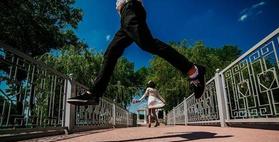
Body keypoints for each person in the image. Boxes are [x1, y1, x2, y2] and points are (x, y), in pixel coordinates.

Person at [67, 0, 205, 105]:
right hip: (125, 17)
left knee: (148, 44)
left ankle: (193, 70)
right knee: (111, 52)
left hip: (131, 9)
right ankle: (94, 93)